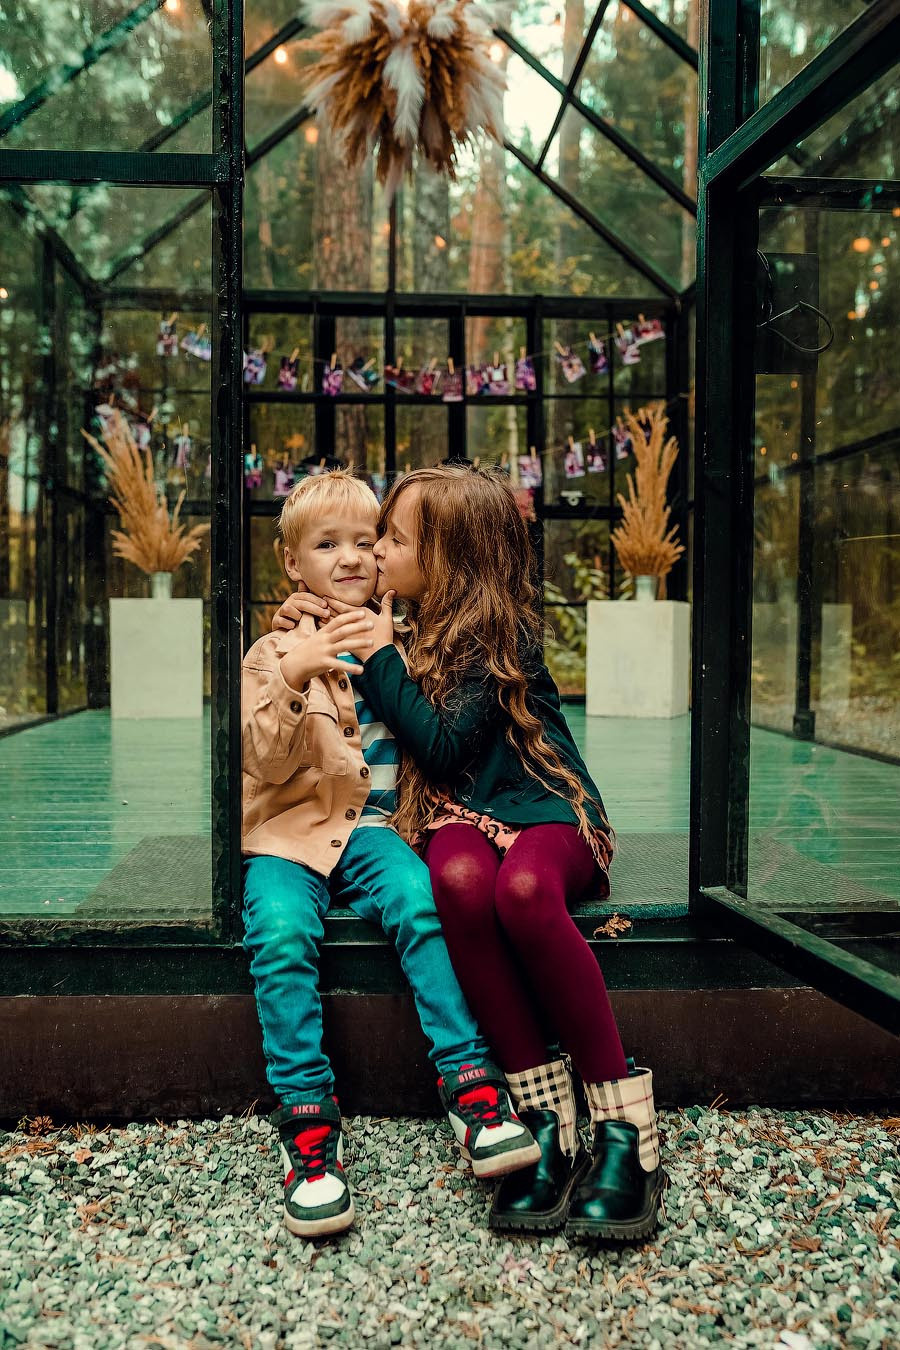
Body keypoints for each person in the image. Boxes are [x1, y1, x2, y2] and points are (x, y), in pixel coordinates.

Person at [274, 466, 666, 1241]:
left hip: (543, 809)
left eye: (392, 538)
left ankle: (625, 1128)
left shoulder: (497, 631)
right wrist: (308, 615)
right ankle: (541, 1118)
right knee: (452, 880)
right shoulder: (396, 618)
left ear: (446, 555)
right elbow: (320, 631)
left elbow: (446, 745)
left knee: (522, 894)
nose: (375, 552)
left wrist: (384, 654)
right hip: (457, 816)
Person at [242, 470, 540, 1240]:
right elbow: (262, 764)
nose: (350, 557)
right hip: (291, 834)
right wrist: (296, 669)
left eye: (367, 541)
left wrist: (384, 655)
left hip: (372, 833)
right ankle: (309, 1125)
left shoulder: (403, 645)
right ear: (292, 565)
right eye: (326, 544)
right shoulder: (271, 651)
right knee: (279, 933)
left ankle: (471, 1086)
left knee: (420, 902)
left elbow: (441, 733)